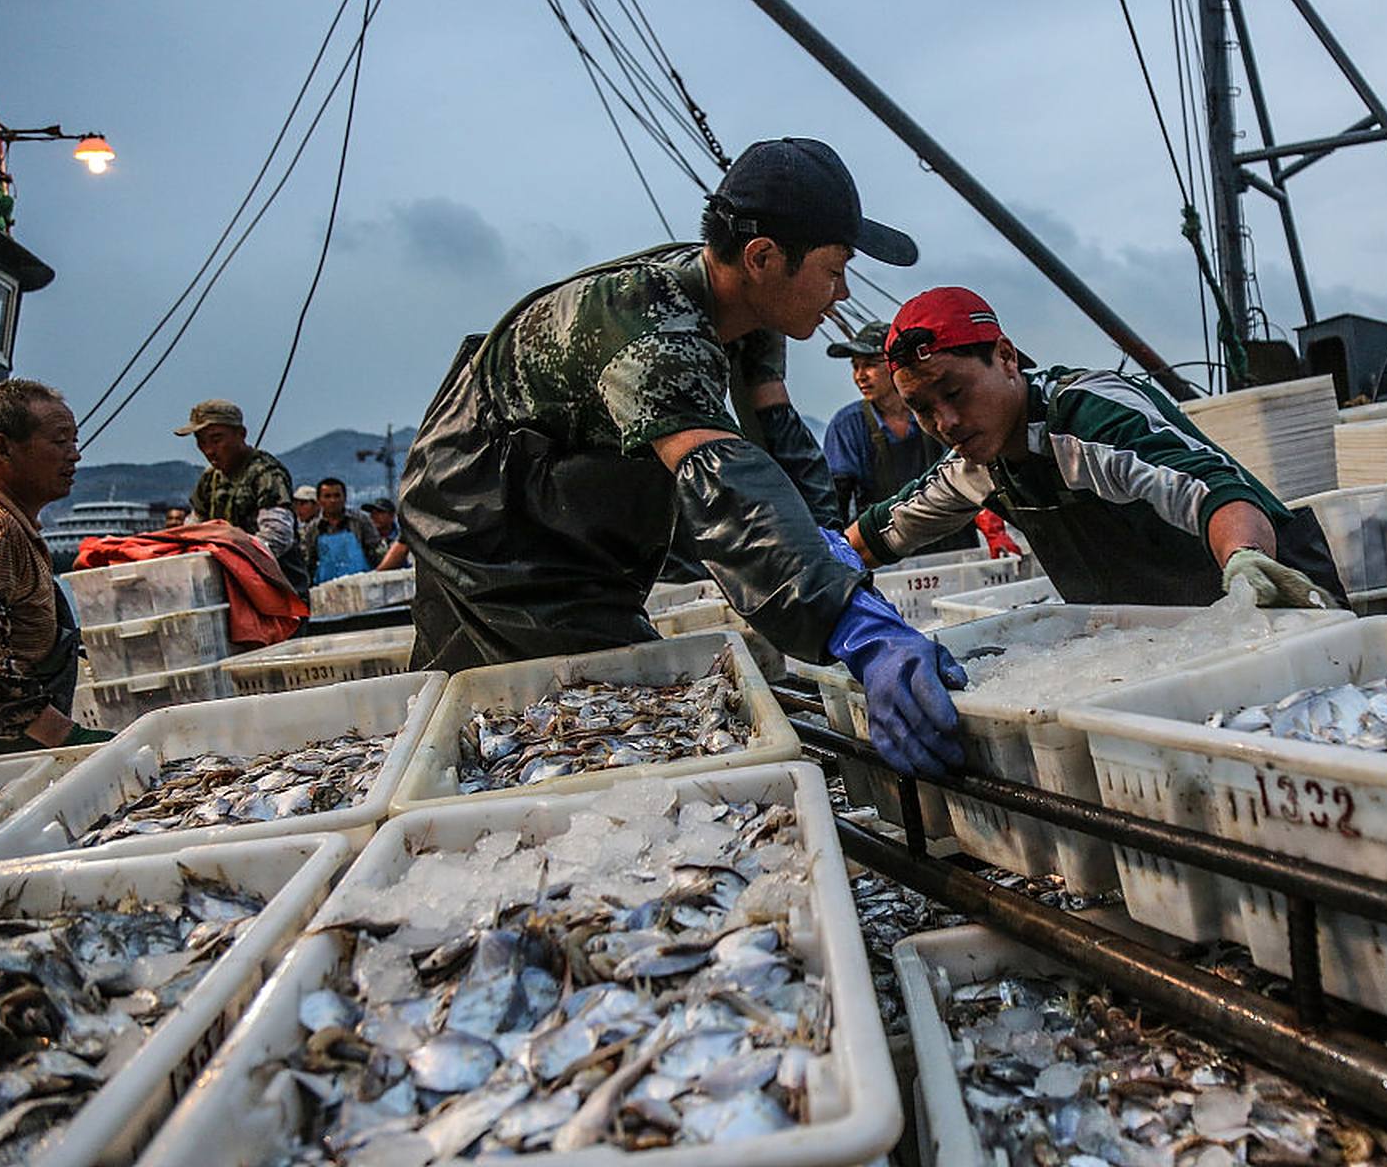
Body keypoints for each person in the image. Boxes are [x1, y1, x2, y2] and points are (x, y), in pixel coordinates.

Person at [399, 137, 965, 775]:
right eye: (834, 270)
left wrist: (826, 546)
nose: (840, 292)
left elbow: (775, 435)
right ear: (763, 257)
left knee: (555, 705)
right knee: (598, 718)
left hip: (583, 509)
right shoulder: (649, 320)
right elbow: (721, 478)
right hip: (489, 517)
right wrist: (848, 620)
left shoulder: (752, 320)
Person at [845, 287, 1347, 610]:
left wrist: (1245, 559)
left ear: (1005, 359)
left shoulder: (1088, 417)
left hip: (1280, 610)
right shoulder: (977, 465)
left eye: (954, 393)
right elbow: (877, 534)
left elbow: (1210, 489)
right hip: (1179, 637)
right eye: (922, 408)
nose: (945, 422)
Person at [0, 380, 113, 756]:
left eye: (74, 441)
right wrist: (69, 739)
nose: (74, 455)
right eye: (60, 441)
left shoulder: (11, 525)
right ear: (4, 448)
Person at [821, 320, 978, 556]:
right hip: (889, 551)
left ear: (898, 366)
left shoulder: (936, 412)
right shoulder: (848, 425)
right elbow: (837, 501)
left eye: (870, 365)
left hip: (954, 548)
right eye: (856, 367)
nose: (860, 376)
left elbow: (974, 469)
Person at [178, 399, 310, 595]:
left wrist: (231, 559)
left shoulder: (265, 473)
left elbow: (277, 536)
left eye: (216, 440)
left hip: (277, 592)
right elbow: (194, 530)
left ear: (241, 434)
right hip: (233, 592)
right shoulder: (209, 479)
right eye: (201, 442)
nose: (209, 451)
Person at [304, 477, 386, 584]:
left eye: (337, 496)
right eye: (327, 496)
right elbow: (309, 562)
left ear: (345, 498)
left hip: (362, 585)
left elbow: (377, 551)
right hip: (326, 588)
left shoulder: (360, 521)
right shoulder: (313, 528)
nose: (333, 500)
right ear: (319, 500)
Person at [363, 499, 411, 570]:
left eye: (379, 512)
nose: (374, 516)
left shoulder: (405, 538)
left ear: (392, 516)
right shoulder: (365, 539)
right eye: (372, 512)